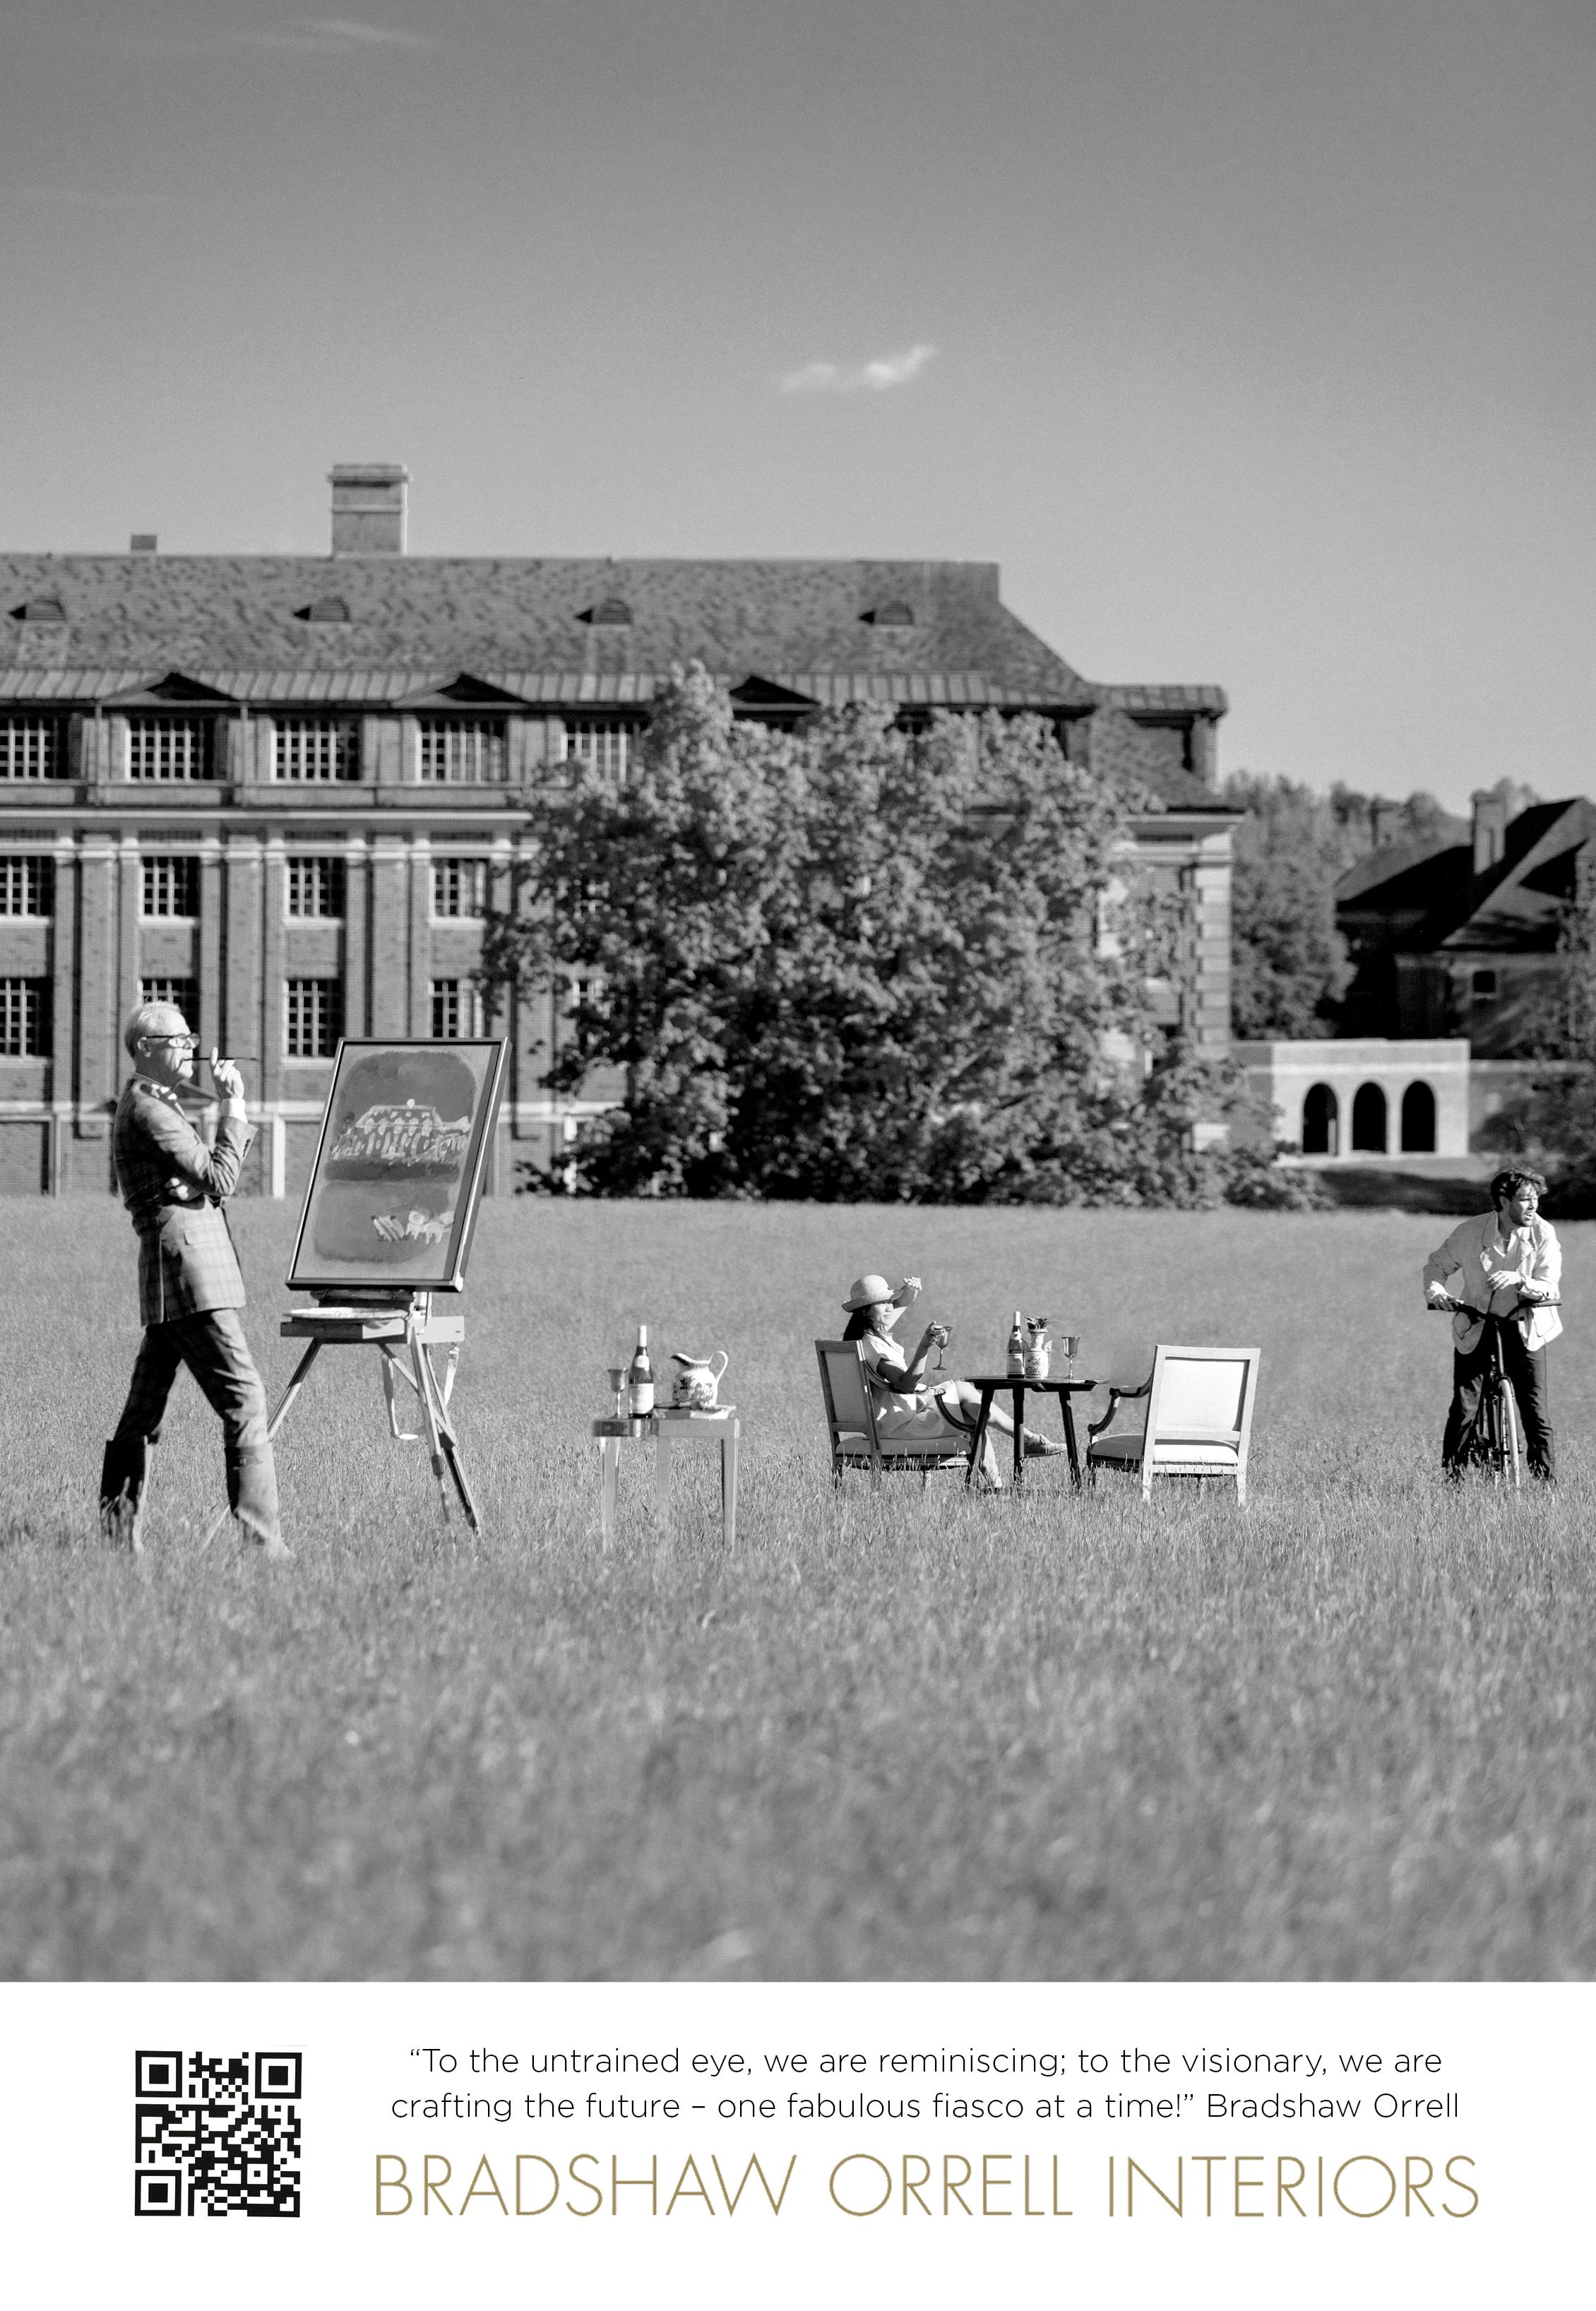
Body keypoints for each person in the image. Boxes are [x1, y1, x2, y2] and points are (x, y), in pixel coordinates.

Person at [100, 1001, 291, 1560]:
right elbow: (219, 1177)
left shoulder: (155, 1101)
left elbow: (200, 1182)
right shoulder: (149, 1109)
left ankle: (115, 1544)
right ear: (145, 1049)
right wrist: (234, 1105)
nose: (191, 1048)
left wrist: (194, 1186)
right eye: (179, 1040)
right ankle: (262, 1545)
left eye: (191, 1039)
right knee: (246, 1399)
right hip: (190, 1278)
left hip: (172, 1277)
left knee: (142, 1411)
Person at [840, 1274, 1069, 1485]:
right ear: (865, 1312)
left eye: (889, 1300)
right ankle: (1024, 1443)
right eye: (882, 1302)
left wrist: (908, 1292)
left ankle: (1001, 1477)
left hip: (893, 1422)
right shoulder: (873, 1346)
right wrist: (924, 1348)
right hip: (900, 1427)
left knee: (971, 1407)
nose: (890, 1306)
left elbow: (898, 1306)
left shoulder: (865, 1339)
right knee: (967, 1401)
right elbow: (905, 1384)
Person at [1422, 1168, 1560, 1483]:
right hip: (1478, 1323)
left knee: (1535, 1411)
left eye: (1536, 1199)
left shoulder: (1543, 1233)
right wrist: (1437, 1292)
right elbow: (1437, 1265)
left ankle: (1546, 1485)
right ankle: (1453, 1481)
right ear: (1504, 1200)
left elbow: (1549, 1285)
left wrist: (1521, 1280)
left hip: (1525, 1325)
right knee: (1464, 1407)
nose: (1533, 1206)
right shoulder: (1471, 1232)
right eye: (1525, 1199)